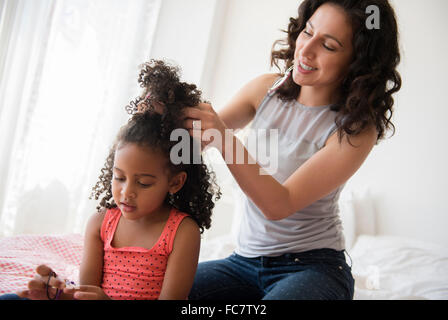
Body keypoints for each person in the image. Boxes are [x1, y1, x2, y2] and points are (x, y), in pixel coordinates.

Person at [185, 0, 401, 300]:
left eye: (329, 45)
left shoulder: (355, 129)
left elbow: (278, 205)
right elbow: (195, 140)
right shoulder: (264, 90)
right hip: (242, 262)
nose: (307, 50)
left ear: (358, 62)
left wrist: (225, 139)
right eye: (308, 32)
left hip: (312, 269)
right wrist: (167, 117)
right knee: (151, 289)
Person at [1, 60, 221, 300]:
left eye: (144, 183)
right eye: (119, 177)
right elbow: (85, 295)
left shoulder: (182, 232)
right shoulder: (100, 224)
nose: (127, 192)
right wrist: (57, 294)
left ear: (175, 182)